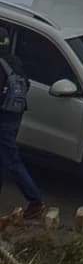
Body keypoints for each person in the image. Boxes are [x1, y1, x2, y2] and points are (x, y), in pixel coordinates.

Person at [0, 25, 43, 218]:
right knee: (4, 157)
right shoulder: (14, 60)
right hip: (15, 115)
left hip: (3, 117)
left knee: (11, 160)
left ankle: (35, 200)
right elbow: (27, 84)